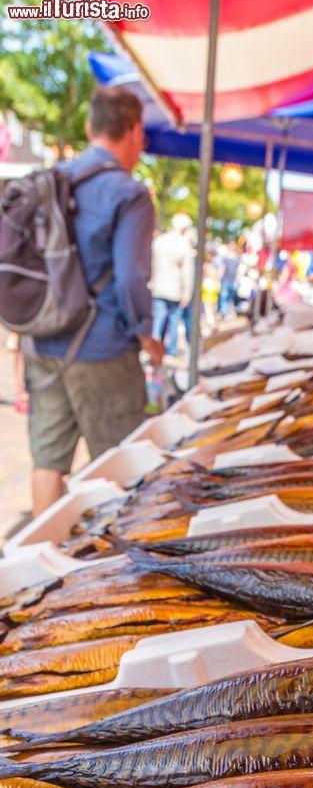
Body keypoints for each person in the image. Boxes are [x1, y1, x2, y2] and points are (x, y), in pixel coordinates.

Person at [24, 87, 163, 517]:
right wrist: (146, 334)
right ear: (136, 131)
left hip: (42, 341)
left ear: (89, 127)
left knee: (48, 461)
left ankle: (39, 565)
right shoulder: (130, 193)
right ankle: (114, 574)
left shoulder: (52, 180)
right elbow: (129, 276)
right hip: (101, 348)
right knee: (117, 464)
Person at [151, 213, 195, 356]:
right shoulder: (183, 244)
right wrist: (187, 293)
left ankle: (154, 349)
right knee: (173, 322)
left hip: (158, 287)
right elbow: (187, 272)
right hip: (175, 290)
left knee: (158, 320)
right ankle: (170, 350)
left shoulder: (159, 241)